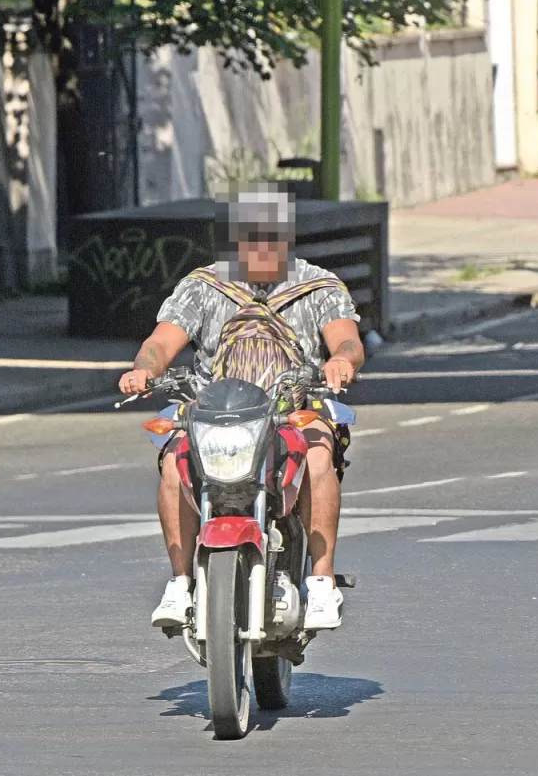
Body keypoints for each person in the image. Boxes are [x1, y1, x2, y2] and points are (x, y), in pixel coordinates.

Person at [118, 189, 365, 632]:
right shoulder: (204, 286)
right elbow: (160, 342)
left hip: (290, 410)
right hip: (216, 413)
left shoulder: (319, 287)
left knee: (319, 454)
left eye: (270, 239)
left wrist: (341, 359)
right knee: (175, 464)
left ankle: (322, 580)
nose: (260, 249)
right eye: (250, 240)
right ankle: (179, 582)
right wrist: (144, 369)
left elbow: (346, 339)